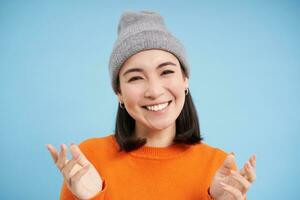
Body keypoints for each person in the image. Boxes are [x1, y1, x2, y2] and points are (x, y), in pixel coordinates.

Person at [46, 10, 256, 200]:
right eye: (136, 78)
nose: (154, 91)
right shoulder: (89, 160)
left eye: (166, 72)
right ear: (118, 92)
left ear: (185, 80)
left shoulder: (218, 166)